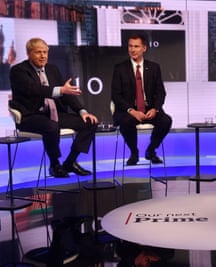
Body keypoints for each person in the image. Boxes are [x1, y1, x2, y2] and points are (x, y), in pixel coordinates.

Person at [9, 37, 98, 178]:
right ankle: (55, 164)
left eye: (45, 52)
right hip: (30, 116)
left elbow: (66, 95)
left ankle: (70, 162)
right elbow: (35, 90)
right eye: (38, 52)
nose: (43, 56)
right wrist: (61, 90)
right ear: (28, 53)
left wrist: (82, 111)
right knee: (51, 126)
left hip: (54, 114)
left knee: (90, 122)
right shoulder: (18, 71)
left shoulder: (52, 69)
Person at [111, 33, 172, 165]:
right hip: (128, 110)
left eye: (136, 46)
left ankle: (151, 150)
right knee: (125, 123)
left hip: (149, 108)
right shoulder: (120, 68)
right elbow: (116, 95)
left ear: (144, 48)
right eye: (130, 46)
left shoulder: (154, 67)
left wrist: (155, 109)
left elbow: (160, 92)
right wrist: (132, 110)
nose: (132, 49)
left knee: (166, 121)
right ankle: (134, 152)